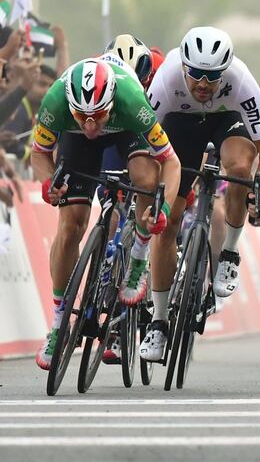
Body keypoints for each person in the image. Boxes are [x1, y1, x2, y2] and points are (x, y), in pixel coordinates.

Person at [30, 57, 181, 369]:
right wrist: (48, 184)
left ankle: (138, 255)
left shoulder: (131, 100)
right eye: (81, 116)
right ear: (69, 104)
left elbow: (171, 162)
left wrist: (162, 207)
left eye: (97, 115)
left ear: (110, 101)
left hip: (125, 130)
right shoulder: (55, 101)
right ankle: (59, 325)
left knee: (145, 178)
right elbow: (39, 153)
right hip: (76, 146)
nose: (89, 124)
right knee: (71, 226)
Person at [140, 26, 260, 361]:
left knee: (240, 168)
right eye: (197, 75)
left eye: (213, 77)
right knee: (169, 221)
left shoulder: (241, 81)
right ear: (185, 67)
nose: (203, 84)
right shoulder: (167, 81)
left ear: (225, 70)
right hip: (179, 124)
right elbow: (142, 146)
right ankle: (158, 322)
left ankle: (229, 252)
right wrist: (149, 199)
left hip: (228, 120)